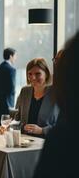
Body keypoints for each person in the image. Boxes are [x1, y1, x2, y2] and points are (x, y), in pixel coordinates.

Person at [33, 32, 79, 178]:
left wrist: (42, 131)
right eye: (56, 60)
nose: (56, 64)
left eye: (60, 61)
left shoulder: (62, 137)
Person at [8, 58, 59, 137]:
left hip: (47, 142)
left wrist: (42, 130)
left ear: (46, 74)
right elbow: (16, 120)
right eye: (30, 74)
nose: (33, 78)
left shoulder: (56, 93)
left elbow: (63, 125)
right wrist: (17, 127)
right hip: (24, 142)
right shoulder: (24, 91)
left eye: (38, 74)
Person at [0, 47, 17, 127]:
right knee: (7, 124)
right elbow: (12, 87)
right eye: (15, 56)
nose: (15, 58)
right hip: (7, 101)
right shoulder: (11, 69)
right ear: (10, 56)